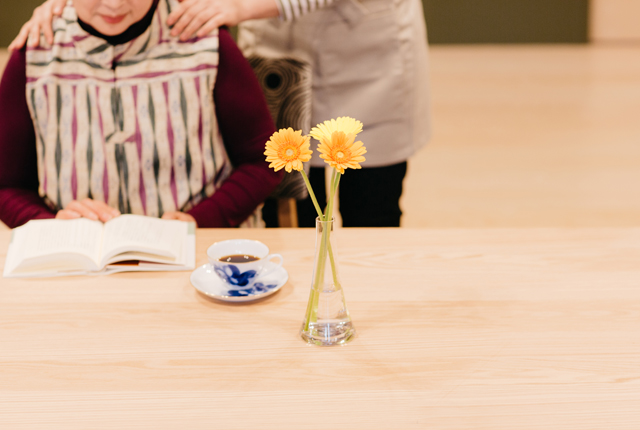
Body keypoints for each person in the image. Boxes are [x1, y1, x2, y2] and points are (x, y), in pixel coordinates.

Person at [10, 0, 431, 227]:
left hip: (367, 65)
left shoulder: (210, 48)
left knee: (369, 216)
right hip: (271, 51)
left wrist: (244, 5)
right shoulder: (38, 58)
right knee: (292, 214)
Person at [0, 0, 283, 229]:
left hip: (203, 257)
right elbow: (6, 185)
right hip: (80, 266)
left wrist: (201, 220)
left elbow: (265, 158)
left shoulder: (204, 37)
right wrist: (51, 225)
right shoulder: (37, 49)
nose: (113, 4)